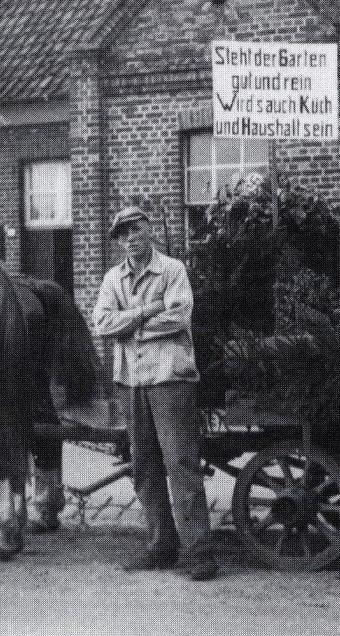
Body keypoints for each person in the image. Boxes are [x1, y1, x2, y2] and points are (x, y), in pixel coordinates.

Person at [92, 206, 217, 581]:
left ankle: (199, 553)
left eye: (137, 229)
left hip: (170, 379)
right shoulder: (113, 279)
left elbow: (179, 316)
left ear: (150, 232)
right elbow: (101, 323)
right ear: (118, 241)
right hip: (131, 381)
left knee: (180, 463)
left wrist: (131, 325)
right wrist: (149, 310)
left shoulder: (173, 270)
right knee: (143, 465)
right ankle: (162, 545)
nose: (132, 237)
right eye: (123, 232)